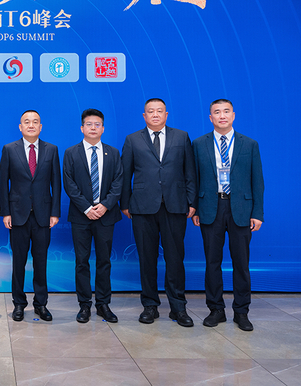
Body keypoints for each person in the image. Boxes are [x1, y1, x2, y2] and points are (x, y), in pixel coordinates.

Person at [121, 98, 197, 327]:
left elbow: (190, 171)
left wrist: (191, 201)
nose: (155, 114)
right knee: (147, 258)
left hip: (175, 205)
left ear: (166, 114)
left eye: (159, 111)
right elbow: (125, 174)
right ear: (144, 116)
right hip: (142, 207)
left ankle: (178, 307)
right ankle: (150, 306)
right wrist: (125, 204)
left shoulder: (181, 137)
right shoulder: (133, 139)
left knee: (175, 258)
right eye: (150, 111)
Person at [192, 99, 264, 331]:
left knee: (241, 263)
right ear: (210, 117)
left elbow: (257, 181)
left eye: (226, 111)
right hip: (210, 208)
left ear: (233, 115)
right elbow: (193, 178)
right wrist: (195, 208)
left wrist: (257, 213)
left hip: (241, 209)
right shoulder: (199, 144)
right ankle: (216, 310)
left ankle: (241, 312)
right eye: (216, 112)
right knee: (212, 262)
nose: (221, 116)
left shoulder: (249, 144)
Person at [0, 110, 61, 322]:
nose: (31, 125)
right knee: (18, 262)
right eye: (27, 122)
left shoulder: (52, 149)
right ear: (20, 126)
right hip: (17, 215)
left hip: (43, 215)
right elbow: (2, 183)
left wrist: (55, 212)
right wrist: (5, 212)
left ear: (41, 127)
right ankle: (18, 303)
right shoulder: (9, 149)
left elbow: (56, 183)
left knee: (41, 262)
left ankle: (41, 303)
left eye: (35, 122)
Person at [63, 109, 123, 323]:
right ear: (82, 128)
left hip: (106, 215)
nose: (93, 128)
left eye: (97, 124)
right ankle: (84, 304)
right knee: (82, 261)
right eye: (89, 124)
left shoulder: (113, 153)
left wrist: (105, 205)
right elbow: (69, 184)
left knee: (104, 261)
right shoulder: (71, 153)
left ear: (103, 128)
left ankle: (103, 304)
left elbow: (118, 182)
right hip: (81, 216)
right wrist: (87, 208)